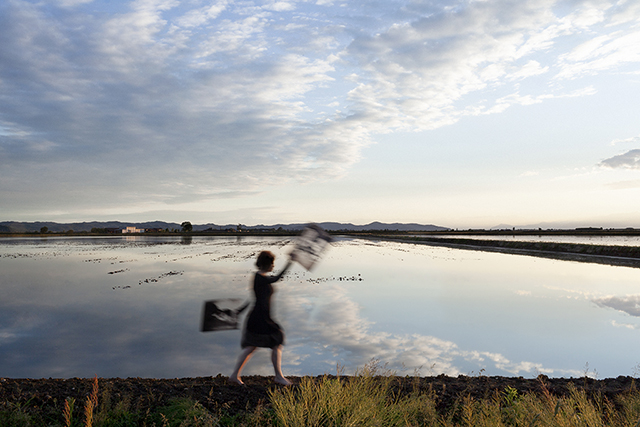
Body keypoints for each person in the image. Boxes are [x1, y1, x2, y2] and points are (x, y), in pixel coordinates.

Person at [229, 250, 294, 385]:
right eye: (272, 263)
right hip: (260, 319)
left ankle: (235, 376)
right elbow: (276, 278)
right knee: (276, 341)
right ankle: (278, 377)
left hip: (260, 318)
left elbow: (254, 298)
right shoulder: (260, 277)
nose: (274, 266)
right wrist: (290, 262)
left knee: (252, 347)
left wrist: (239, 310)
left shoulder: (259, 277)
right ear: (267, 264)